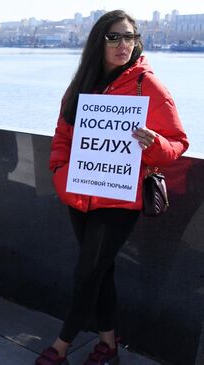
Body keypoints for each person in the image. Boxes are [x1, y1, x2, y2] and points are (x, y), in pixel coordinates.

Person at [36, 10, 189, 365]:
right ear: (98, 42)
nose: (124, 45)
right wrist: (59, 172)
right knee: (100, 272)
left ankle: (61, 344)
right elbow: (62, 138)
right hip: (79, 194)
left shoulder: (147, 85)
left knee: (87, 273)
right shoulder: (81, 86)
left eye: (130, 37)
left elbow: (178, 143)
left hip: (120, 198)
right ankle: (108, 346)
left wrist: (153, 146)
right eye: (115, 37)